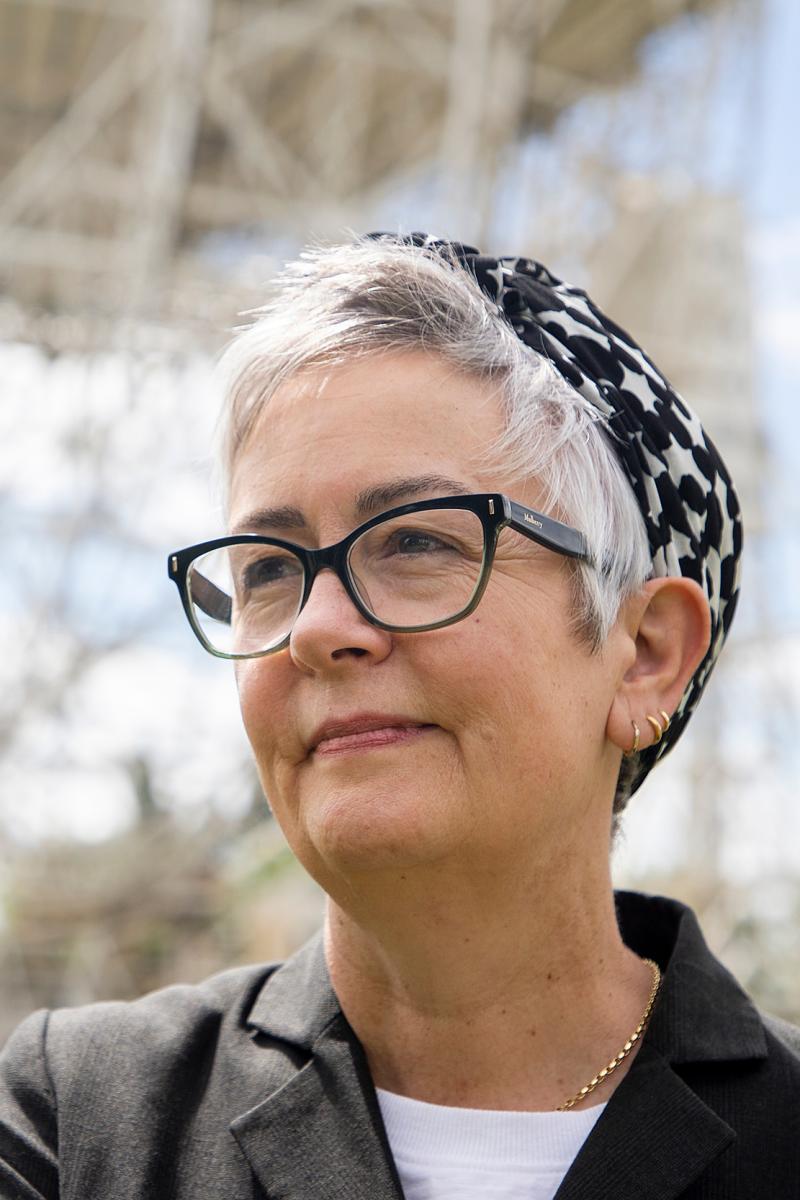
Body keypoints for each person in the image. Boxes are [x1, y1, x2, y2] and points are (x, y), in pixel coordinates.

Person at [1, 232, 798, 1200]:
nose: (315, 627)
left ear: (642, 657)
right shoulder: (74, 1124)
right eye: (264, 569)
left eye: (415, 541)